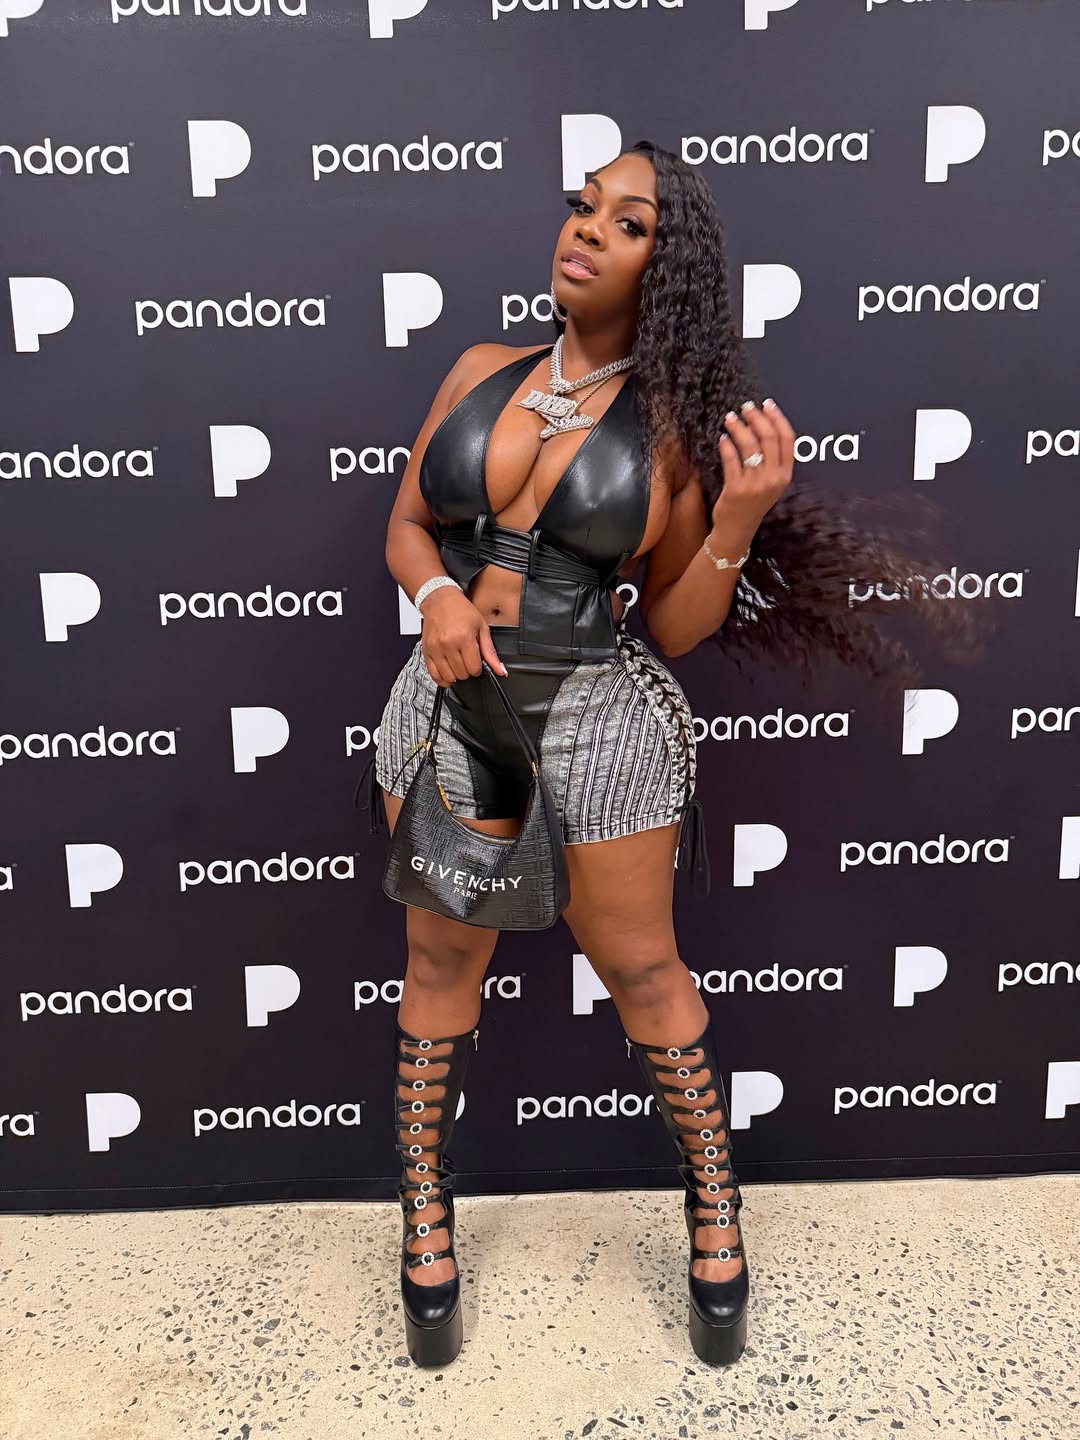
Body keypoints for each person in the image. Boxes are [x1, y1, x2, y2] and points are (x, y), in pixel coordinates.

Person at [358, 140, 987, 1372]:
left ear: (670, 266)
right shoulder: (481, 370)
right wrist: (435, 597)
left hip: (599, 717)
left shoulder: (675, 430)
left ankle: (713, 1211)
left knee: (645, 972)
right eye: (582, 205)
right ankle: (424, 1216)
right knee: (439, 959)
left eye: (627, 222)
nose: (586, 230)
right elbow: (407, 523)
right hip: (445, 703)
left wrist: (738, 521)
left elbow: (682, 627)